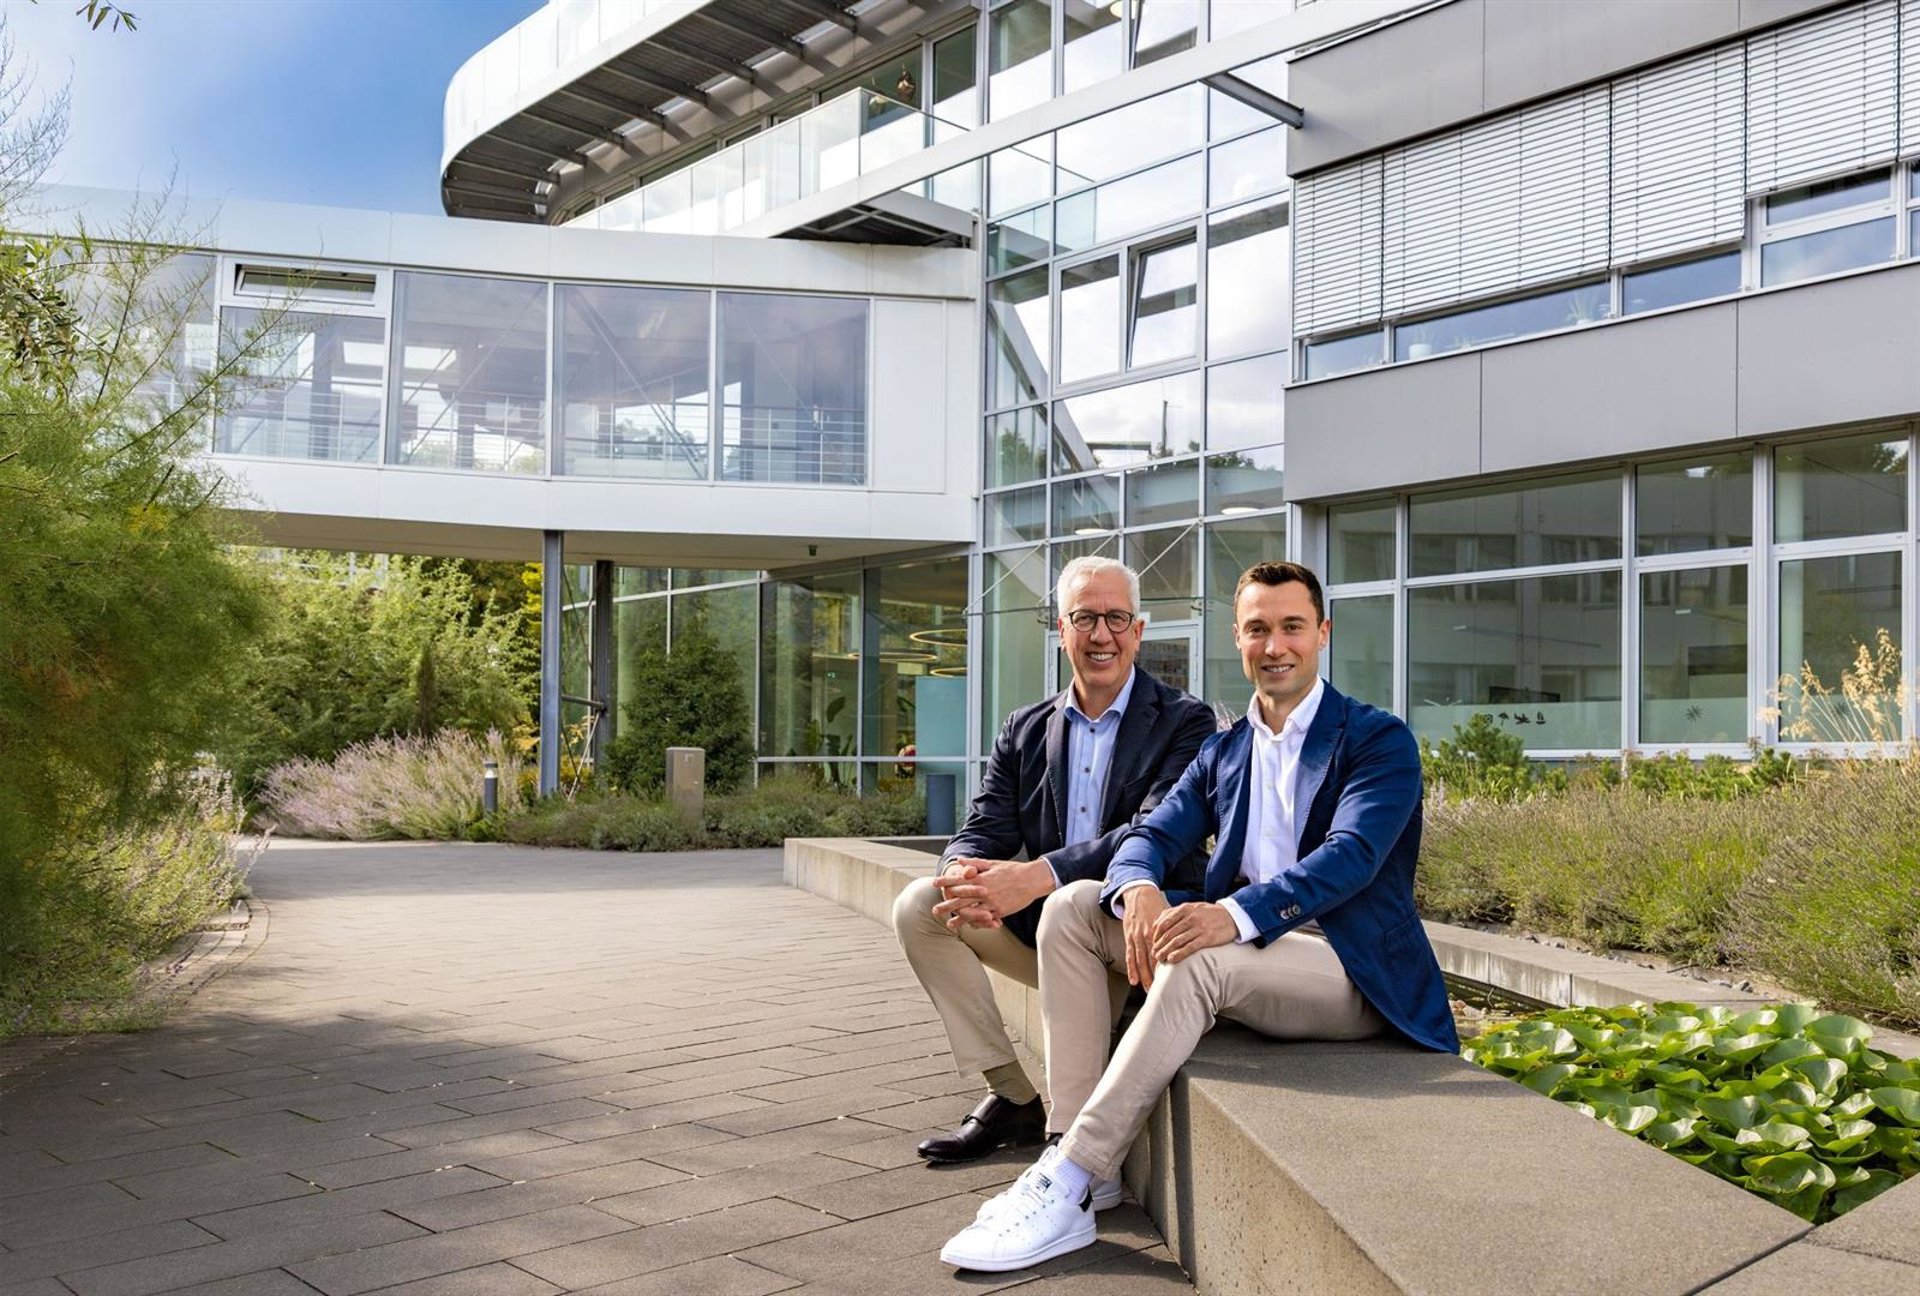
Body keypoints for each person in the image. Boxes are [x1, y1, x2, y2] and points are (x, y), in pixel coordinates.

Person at [941, 560, 1459, 1272]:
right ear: (1238, 639)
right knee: (1070, 907)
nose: (1274, 646)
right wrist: (1137, 889)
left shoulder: (1377, 739)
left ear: (1323, 633)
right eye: (1257, 629)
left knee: (1198, 955)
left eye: (1291, 627)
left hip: (1348, 966)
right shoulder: (1226, 749)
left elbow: (1352, 856)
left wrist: (1235, 915)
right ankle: (1078, 1157)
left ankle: (1070, 1178)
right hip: (1250, 955)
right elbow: (1150, 834)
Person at [892, 555, 1215, 1168]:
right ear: (1061, 629)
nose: (1101, 634)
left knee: (1069, 901)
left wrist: (1038, 876)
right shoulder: (1025, 727)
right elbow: (984, 826)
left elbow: (1156, 830)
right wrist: (962, 870)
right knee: (921, 905)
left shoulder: (1185, 722)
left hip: (1135, 938)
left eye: (1116, 618)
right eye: (1084, 618)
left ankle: (1074, 1154)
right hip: (1051, 939)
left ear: (1138, 631)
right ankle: (1012, 1097)